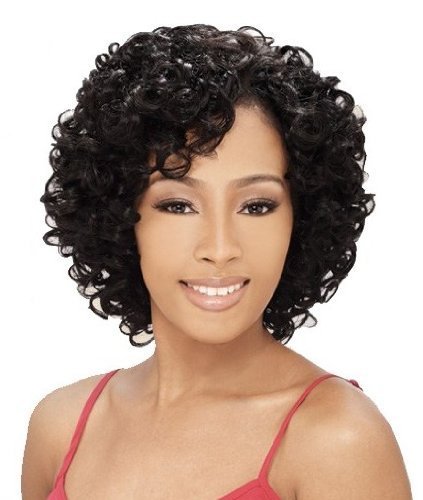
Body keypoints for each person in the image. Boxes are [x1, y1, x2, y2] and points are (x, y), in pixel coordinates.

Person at [22, 24, 412, 499]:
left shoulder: (337, 440)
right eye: (178, 205)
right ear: (121, 216)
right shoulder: (60, 429)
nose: (221, 246)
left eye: (257, 206)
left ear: (302, 218)